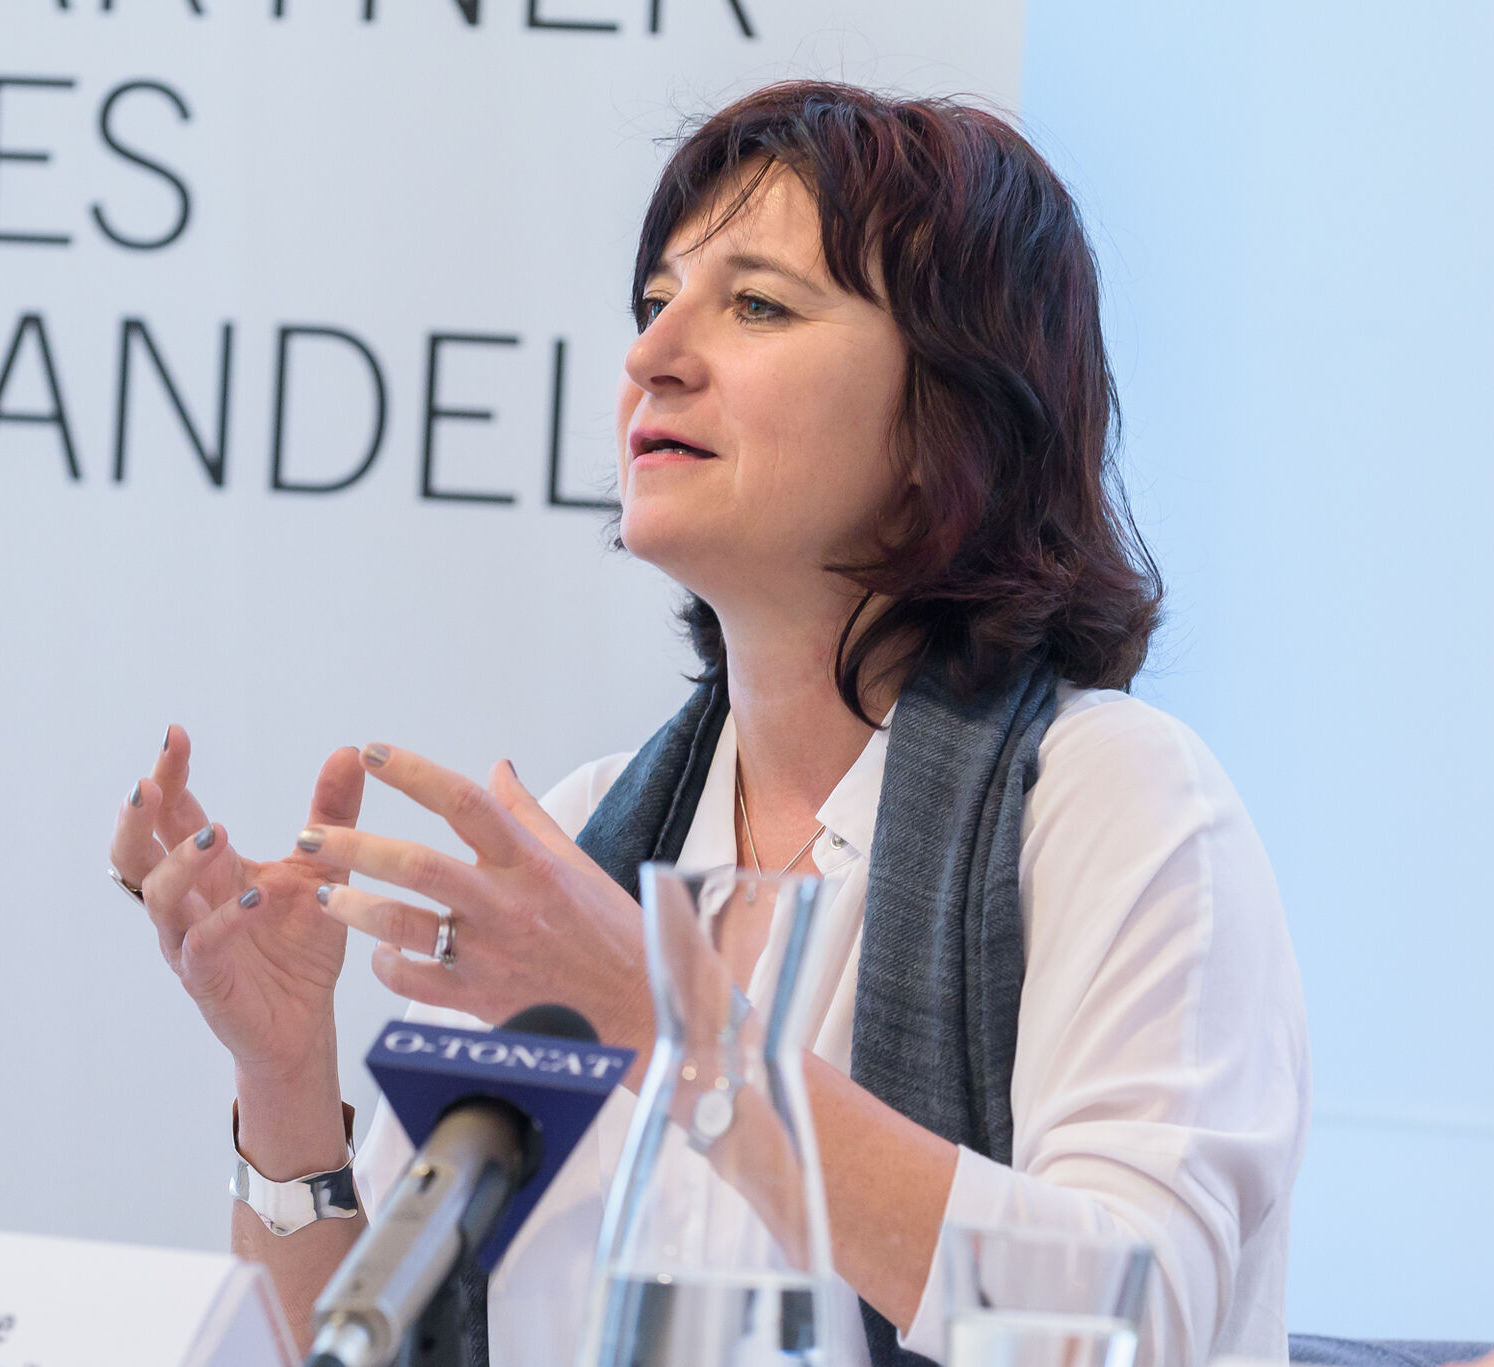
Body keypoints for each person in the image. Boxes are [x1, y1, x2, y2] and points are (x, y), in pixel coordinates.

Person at [108, 81, 1309, 1367]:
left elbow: (1130, 1326)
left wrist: (665, 1028)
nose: (652, 355)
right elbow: (373, 1343)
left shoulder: (1110, 800)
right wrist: (283, 1076)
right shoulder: (586, 836)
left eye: (756, 305)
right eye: (654, 300)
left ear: (948, 420)